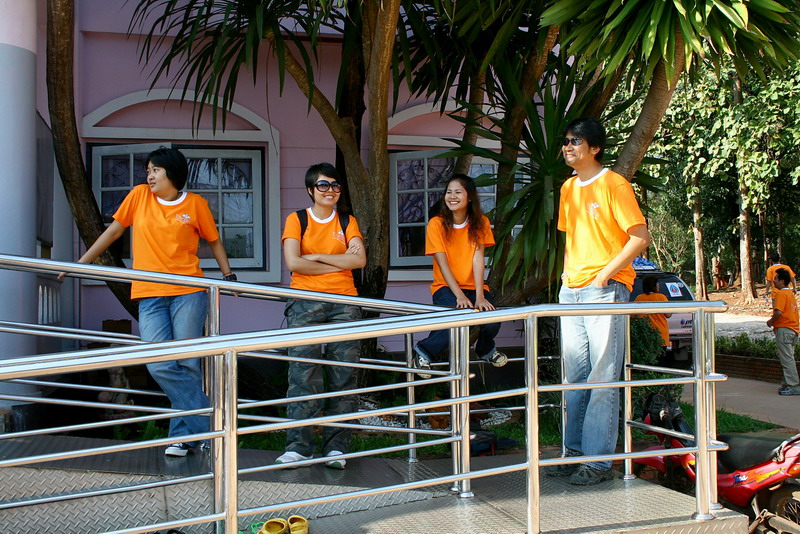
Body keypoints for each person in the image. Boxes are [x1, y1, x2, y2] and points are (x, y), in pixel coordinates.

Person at [73, 147, 235, 457]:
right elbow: (113, 232)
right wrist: (81, 263)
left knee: (187, 364)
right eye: (148, 170)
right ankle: (210, 425)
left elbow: (214, 240)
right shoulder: (138, 196)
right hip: (149, 294)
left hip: (189, 291)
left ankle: (182, 438)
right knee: (158, 363)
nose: (149, 175)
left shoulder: (195, 204)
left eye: (155, 170)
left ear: (172, 172)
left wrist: (228, 276)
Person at [546, 118, 650, 485]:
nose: (568, 146)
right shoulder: (568, 188)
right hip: (572, 290)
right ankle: (574, 454)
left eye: (576, 141)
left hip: (606, 289)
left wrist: (605, 275)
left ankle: (599, 463)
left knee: (602, 377)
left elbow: (640, 237)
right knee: (574, 377)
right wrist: (566, 278)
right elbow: (572, 239)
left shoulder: (614, 184)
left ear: (595, 148)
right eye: (566, 140)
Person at [276, 162, 366, 469]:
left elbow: (360, 260)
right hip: (305, 302)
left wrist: (315, 256)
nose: (330, 190)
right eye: (323, 185)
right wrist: (339, 261)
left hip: (345, 303)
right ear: (310, 189)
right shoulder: (297, 219)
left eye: (335, 185)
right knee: (302, 373)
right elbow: (294, 263)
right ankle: (299, 447)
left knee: (344, 373)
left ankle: (337, 448)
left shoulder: (348, 221)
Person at [411, 174, 508, 379]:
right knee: (455, 317)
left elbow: (478, 259)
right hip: (445, 286)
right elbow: (442, 263)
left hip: (474, 286)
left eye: (458, 192)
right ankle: (423, 352)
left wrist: (480, 296)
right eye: (449, 192)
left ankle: (486, 350)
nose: (452, 196)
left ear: (469, 197)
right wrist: (459, 295)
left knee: (492, 319)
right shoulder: (436, 224)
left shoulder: (480, 222)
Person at [766, 268, 800, 396]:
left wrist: (770, 322)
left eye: (775, 278)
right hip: (793, 329)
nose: (773, 281)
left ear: (782, 281)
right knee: (789, 358)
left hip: (784, 329)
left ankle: (794, 386)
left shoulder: (780, 294)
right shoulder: (790, 293)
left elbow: (778, 312)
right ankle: (787, 384)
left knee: (787, 360)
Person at [634, 276, 672, 362]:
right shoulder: (661, 297)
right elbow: (668, 314)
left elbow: (633, 316)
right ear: (654, 286)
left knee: (646, 361)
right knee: (660, 361)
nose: (659, 285)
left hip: (644, 334)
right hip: (661, 335)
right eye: (657, 284)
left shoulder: (639, 298)